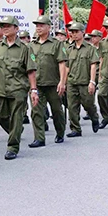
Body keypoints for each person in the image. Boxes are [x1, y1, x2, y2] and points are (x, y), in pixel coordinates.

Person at [0, 15, 38, 160]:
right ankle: (15, 131)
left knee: (16, 117)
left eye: (8, 26)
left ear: (16, 28)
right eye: (3, 26)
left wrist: (33, 90)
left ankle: (12, 146)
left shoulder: (25, 49)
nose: (5, 28)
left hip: (18, 89)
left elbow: (31, 71)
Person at [28, 15, 68, 145]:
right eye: (37, 25)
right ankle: (39, 138)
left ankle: (60, 132)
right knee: (36, 112)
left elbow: (62, 63)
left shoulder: (57, 44)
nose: (38, 28)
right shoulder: (31, 46)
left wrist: (62, 82)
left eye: (41, 25)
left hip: (53, 83)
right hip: (37, 84)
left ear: (49, 27)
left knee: (57, 111)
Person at [63, 22, 101, 137]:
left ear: (82, 33)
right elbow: (66, 67)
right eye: (72, 32)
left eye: (76, 32)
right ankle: (75, 129)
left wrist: (92, 82)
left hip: (85, 82)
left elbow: (93, 65)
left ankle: (94, 117)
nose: (73, 34)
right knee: (72, 106)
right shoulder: (69, 49)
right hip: (72, 82)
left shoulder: (90, 48)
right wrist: (63, 82)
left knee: (88, 104)